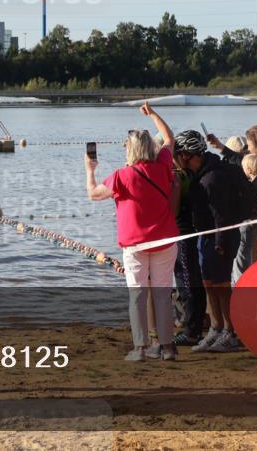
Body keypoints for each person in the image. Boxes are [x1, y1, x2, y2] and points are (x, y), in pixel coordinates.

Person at [86, 103, 179, 362]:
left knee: (137, 295)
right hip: (165, 241)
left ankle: (140, 348)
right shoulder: (163, 165)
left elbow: (93, 194)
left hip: (135, 245)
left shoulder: (122, 176)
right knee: (162, 294)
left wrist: (90, 170)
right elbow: (170, 138)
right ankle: (167, 347)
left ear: (131, 150)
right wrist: (153, 114)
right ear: (150, 148)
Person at [177, 130, 248, 353]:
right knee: (209, 284)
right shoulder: (200, 174)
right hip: (205, 236)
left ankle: (230, 332)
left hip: (219, 238)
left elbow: (222, 215)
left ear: (188, 154)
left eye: (179, 154)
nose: (177, 159)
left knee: (222, 287)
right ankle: (216, 329)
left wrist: (220, 243)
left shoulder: (212, 178)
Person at [171, 135, 206, 346]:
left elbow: (174, 210)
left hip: (183, 233)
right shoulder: (195, 173)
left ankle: (192, 330)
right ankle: (196, 324)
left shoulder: (180, 177)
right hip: (192, 232)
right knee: (194, 280)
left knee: (186, 282)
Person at [234, 153, 257, 283]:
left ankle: (240, 281)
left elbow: (252, 205)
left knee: (244, 255)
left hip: (254, 222)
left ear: (248, 169)